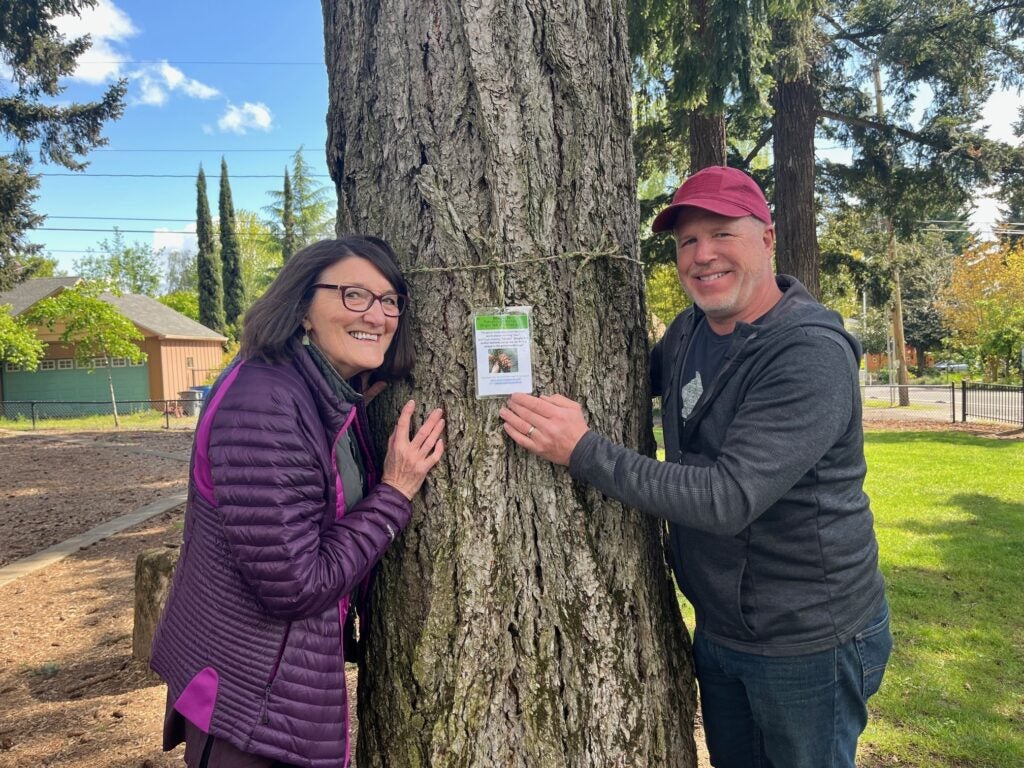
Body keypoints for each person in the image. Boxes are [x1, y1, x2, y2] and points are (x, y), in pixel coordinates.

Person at [499, 166, 891, 768]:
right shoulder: (688, 332)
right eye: (687, 241)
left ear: (765, 239)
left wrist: (580, 449)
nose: (702, 255)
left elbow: (726, 497)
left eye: (722, 234)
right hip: (720, 626)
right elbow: (624, 381)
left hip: (808, 639)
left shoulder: (808, 352)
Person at [151, 236, 445, 768]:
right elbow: (296, 583)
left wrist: (347, 402)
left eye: (389, 300)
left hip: (269, 683)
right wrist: (396, 492)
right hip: (250, 702)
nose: (377, 316)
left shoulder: (307, 387)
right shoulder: (263, 403)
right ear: (303, 307)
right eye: (354, 295)